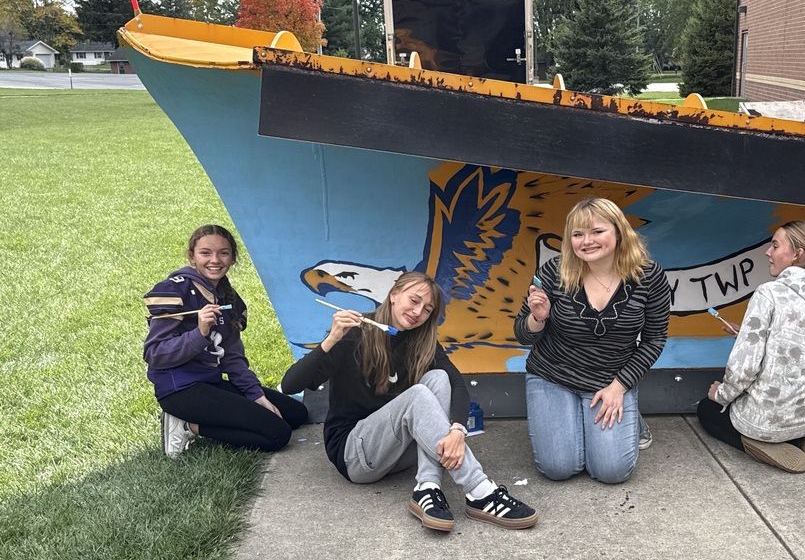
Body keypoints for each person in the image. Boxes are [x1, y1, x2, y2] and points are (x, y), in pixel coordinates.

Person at [280, 271, 537, 532]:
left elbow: (457, 384)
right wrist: (331, 339)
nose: (418, 312)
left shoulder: (421, 341)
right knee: (417, 395)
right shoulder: (353, 334)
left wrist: (458, 430)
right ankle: (480, 490)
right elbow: (290, 385)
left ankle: (427, 487)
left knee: (438, 377)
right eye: (413, 301)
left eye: (427, 309)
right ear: (393, 295)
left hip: (398, 451)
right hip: (355, 455)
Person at [514, 197, 670, 484]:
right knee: (557, 468)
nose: (587, 241)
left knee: (611, 472)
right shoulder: (553, 272)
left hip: (610, 380)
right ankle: (574, 417)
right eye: (578, 234)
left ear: (619, 231)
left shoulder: (650, 277)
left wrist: (620, 387)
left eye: (597, 231)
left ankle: (629, 418)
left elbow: (654, 339)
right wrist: (538, 318)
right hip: (553, 375)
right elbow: (522, 334)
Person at [697, 220, 805, 473]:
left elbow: (743, 370)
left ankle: (758, 442)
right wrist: (748, 333)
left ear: (797, 254)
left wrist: (721, 395)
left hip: (768, 421)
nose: (768, 252)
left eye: (775, 245)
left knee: (707, 410)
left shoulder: (769, 293)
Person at [143, 224, 308, 457]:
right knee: (277, 434)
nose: (215, 260)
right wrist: (199, 333)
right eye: (205, 253)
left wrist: (256, 395)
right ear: (192, 256)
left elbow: (232, 356)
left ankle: (223, 414)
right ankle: (187, 426)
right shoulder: (174, 290)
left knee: (296, 414)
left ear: (232, 258)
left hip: (211, 382)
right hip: (179, 389)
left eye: (223, 253)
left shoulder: (227, 296)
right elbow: (155, 355)